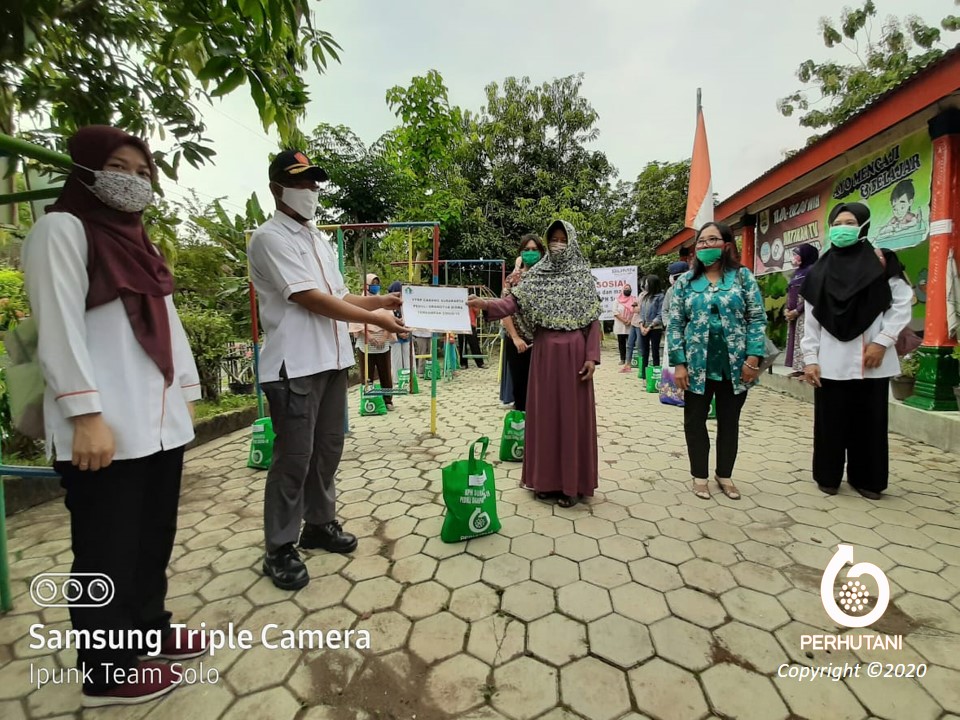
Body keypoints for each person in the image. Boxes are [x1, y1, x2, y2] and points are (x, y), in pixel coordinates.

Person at [21, 125, 206, 707]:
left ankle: (149, 629)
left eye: (143, 171)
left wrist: (188, 394)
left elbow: (167, 328)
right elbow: (58, 328)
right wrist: (84, 414)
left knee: (153, 536)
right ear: (86, 169)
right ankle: (108, 669)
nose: (133, 181)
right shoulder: (62, 230)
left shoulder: (140, 243)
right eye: (118, 168)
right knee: (105, 547)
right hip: (103, 426)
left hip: (156, 420)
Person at [247, 150, 406, 590]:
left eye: (315, 183)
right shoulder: (269, 238)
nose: (311, 191)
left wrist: (378, 303)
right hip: (294, 366)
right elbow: (309, 299)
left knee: (328, 450)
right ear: (277, 188)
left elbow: (338, 296)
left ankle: (319, 524)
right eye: (302, 183)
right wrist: (377, 320)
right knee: (294, 459)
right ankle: (279, 546)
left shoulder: (317, 240)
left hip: (333, 361)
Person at [468, 219, 601, 508]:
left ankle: (571, 486)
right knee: (543, 418)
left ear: (572, 241)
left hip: (575, 355)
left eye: (562, 239)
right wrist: (486, 305)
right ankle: (544, 481)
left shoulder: (582, 276)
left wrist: (592, 356)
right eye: (552, 239)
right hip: (543, 354)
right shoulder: (538, 275)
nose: (557, 245)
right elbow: (512, 304)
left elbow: (593, 320)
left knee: (570, 418)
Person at [800, 202, 913, 500]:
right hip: (830, 358)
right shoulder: (820, 270)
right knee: (830, 420)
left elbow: (901, 303)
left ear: (863, 226)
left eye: (849, 222)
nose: (842, 228)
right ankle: (828, 475)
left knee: (870, 420)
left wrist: (882, 341)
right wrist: (810, 359)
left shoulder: (882, 262)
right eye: (837, 223)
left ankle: (868, 479)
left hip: (872, 357)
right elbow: (811, 321)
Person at [667, 222, 767, 501]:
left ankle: (724, 474)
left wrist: (753, 357)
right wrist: (679, 362)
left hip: (735, 366)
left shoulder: (743, 277)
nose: (705, 246)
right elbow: (675, 324)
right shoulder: (686, 282)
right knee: (694, 421)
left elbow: (756, 318)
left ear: (726, 245)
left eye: (712, 240)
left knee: (729, 421)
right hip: (696, 366)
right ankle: (700, 476)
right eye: (701, 242)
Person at [501, 233, 544, 412]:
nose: (530, 253)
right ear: (520, 253)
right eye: (526, 250)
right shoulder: (512, 280)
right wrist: (515, 337)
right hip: (518, 343)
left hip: (544, 343)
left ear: (542, 252)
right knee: (521, 390)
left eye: (535, 250)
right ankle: (523, 434)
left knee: (543, 391)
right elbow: (504, 310)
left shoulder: (549, 278)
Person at [350, 273, 397, 411]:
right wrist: (369, 336)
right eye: (373, 283)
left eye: (377, 283)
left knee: (385, 374)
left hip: (383, 342)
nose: (376, 286)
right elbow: (356, 319)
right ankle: (369, 400)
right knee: (367, 374)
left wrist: (384, 336)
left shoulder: (382, 301)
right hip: (365, 342)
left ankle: (388, 400)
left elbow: (391, 319)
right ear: (367, 285)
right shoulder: (360, 301)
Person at [784, 244, 819, 376]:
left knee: (805, 338)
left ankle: (807, 368)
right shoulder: (797, 272)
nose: (794, 257)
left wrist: (798, 310)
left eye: (797, 254)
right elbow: (791, 292)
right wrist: (788, 309)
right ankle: (798, 368)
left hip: (805, 312)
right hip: (793, 313)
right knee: (795, 340)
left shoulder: (812, 271)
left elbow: (811, 294)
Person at [637, 275, 665, 379]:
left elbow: (660, 314)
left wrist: (649, 327)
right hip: (643, 327)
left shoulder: (660, 297)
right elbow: (641, 313)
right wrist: (641, 326)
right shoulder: (645, 296)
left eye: (647, 283)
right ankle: (644, 376)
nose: (645, 285)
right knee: (644, 352)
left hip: (655, 328)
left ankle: (656, 375)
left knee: (655, 351)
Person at [387, 280, 413, 385]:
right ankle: (397, 380)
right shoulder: (388, 306)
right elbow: (388, 320)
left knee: (408, 357)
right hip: (395, 336)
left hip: (406, 334)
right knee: (396, 359)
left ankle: (410, 378)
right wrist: (398, 332)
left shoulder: (406, 304)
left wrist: (406, 330)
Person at [458, 304, 485, 368]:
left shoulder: (471, 301)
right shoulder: (459, 301)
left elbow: (477, 312)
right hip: (461, 325)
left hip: (470, 325)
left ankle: (480, 363)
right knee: (462, 345)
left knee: (474, 344)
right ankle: (463, 364)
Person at [612, 283, 633, 366]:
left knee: (630, 343)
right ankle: (622, 359)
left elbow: (635, 312)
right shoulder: (617, 301)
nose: (627, 290)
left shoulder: (634, 300)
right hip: (620, 325)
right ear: (623, 290)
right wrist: (624, 320)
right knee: (621, 343)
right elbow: (615, 312)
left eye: (629, 289)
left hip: (630, 325)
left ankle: (630, 359)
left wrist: (629, 321)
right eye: (626, 288)